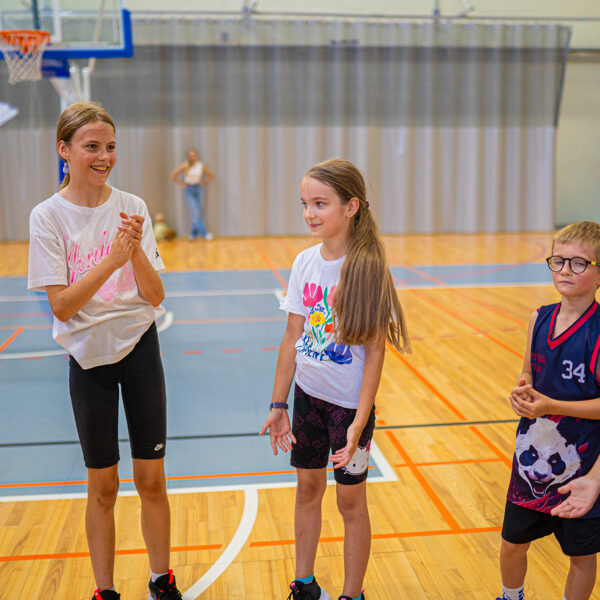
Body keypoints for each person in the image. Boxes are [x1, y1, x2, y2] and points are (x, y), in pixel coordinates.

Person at [27, 102, 183, 600]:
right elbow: (63, 306)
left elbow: (156, 296)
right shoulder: (47, 217)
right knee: (103, 487)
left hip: (140, 347)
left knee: (151, 479)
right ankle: (104, 590)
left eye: (110, 146)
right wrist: (111, 259)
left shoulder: (132, 206)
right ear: (64, 150)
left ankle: (162, 580)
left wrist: (134, 250)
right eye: (91, 146)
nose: (103, 156)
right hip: (87, 358)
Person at [259, 158, 411, 600]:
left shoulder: (367, 268)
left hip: (349, 412)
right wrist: (278, 404)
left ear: (351, 206)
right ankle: (303, 585)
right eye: (305, 203)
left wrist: (360, 422)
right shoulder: (304, 262)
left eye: (320, 203)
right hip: (307, 400)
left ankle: (352, 594)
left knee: (350, 503)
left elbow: (376, 352)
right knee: (307, 489)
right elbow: (292, 336)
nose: (309, 213)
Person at [499, 220, 600, 600]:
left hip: (583, 466)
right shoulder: (537, 318)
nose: (565, 271)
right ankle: (511, 595)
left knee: (581, 555)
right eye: (558, 261)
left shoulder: (598, 332)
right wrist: (522, 387)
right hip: (530, 461)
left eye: (579, 263)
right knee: (512, 544)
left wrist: (552, 405)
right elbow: (528, 370)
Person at [170, 148, 214, 240]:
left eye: (194, 155)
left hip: (198, 188)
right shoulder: (185, 165)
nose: (192, 157)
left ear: (197, 156)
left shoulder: (200, 165)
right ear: (188, 157)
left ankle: (193, 234)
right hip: (189, 189)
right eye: (190, 156)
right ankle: (204, 234)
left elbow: (210, 175)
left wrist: (204, 181)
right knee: (195, 212)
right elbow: (174, 175)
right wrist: (181, 183)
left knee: (198, 212)